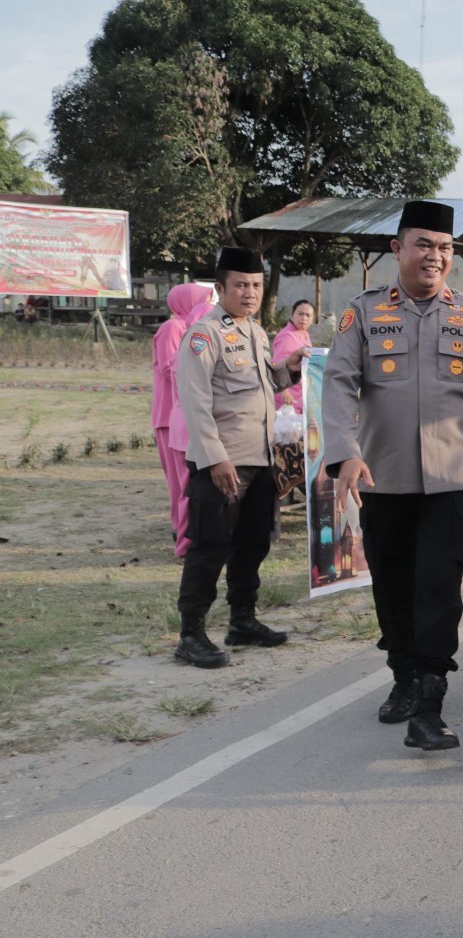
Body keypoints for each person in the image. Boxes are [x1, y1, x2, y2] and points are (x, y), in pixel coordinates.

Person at [322, 200, 463, 751]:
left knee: (439, 590)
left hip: (452, 479)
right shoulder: (364, 312)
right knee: (394, 587)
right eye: (424, 245)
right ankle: (403, 676)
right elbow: (337, 384)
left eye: (446, 248)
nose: (436, 256)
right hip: (384, 477)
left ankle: (430, 702)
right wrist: (343, 453)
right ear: (397, 249)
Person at [173, 248, 307, 668]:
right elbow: (194, 403)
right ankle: (190, 634)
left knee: (252, 545)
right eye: (240, 285)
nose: (249, 293)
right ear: (220, 288)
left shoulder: (256, 332)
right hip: (223, 463)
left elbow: (265, 383)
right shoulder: (204, 334)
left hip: (260, 459)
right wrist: (215, 459)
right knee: (209, 548)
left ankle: (242, 621)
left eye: (256, 285)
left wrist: (290, 366)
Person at [152, 282, 214, 558]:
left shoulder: (187, 329)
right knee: (182, 484)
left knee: (184, 484)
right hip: (173, 413)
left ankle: (182, 532)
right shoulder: (175, 329)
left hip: (178, 413)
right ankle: (183, 534)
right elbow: (169, 368)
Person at [271, 300, 315, 413]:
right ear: (292, 314)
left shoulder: (304, 334)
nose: (304, 318)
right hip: (288, 398)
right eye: (300, 314)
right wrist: (285, 392)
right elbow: (277, 365)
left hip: (300, 393)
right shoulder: (287, 336)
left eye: (308, 315)